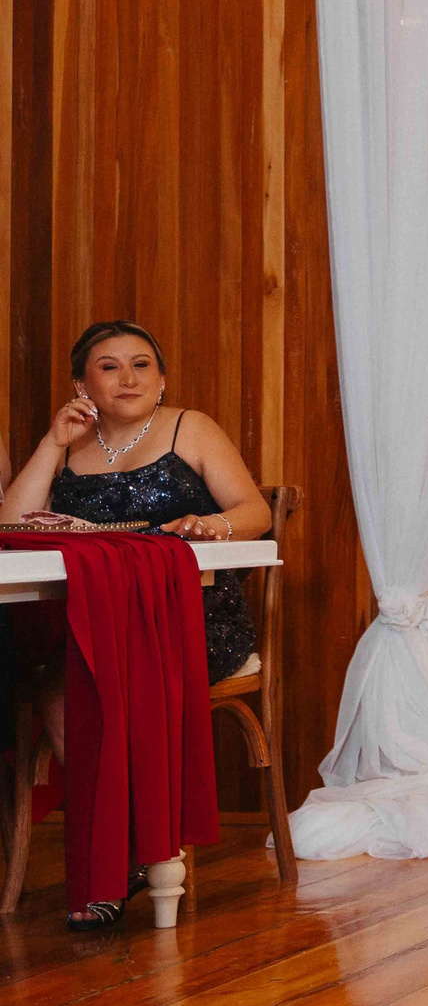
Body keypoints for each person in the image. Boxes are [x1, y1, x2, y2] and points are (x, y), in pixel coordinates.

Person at [0, 319, 272, 927]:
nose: (128, 377)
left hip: (193, 618)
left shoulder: (190, 427)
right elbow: (14, 525)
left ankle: (132, 853)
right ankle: (120, 853)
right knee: (58, 687)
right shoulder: (71, 446)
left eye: (142, 363)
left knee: (114, 681)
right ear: (81, 383)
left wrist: (211, 525)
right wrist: (52, 440)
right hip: (101, 623)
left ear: (162, 376)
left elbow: (253, 511)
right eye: (109, 366)